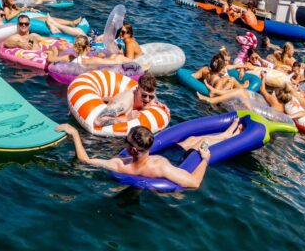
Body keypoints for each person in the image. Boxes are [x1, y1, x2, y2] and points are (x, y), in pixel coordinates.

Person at [57, 124, 212, 190]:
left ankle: (230, 130)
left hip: (146, 170)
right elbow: (195, 182)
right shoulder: (161, 167)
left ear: (133, 149)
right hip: (174, 161)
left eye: (126, 141)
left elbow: (85, 160)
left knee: (191, 141)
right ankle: (231, 130)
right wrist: (205, 158)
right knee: (193, 141)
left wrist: (75, 133)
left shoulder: (120, 165)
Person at [95, 74, 163, 128]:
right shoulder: (124, 104)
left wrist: (159, 104)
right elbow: (97, 121)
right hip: (116, 103)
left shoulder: (151, 98)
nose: (147, 99)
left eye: (151, 96)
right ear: (137, 89)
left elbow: (154, 98)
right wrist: (126, 119)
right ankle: (107, 99)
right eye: (144, 95)